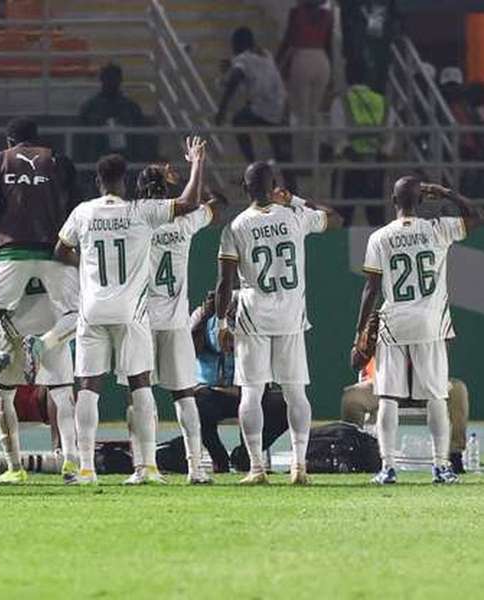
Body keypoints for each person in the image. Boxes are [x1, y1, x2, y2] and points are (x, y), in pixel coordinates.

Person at [54, 140, 206, 485]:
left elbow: (60, 251)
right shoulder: (140, 211)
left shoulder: (83, 212)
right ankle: (150, 467)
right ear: (124, 181)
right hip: (132, 311)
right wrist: (196, 163)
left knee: (88, 387)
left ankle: (87, 469)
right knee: (141, 384)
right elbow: (191, 203)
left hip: (93, 309)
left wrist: (87, 265)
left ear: (98, 181)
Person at [215, 162, 343, 485]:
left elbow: (223, 281)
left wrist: (221, 321)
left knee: (251, 393)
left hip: (253, 315)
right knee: (296, 393)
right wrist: (296, 200)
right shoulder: (294, 216)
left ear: (244, 189)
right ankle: (299, 466)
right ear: (274, 187)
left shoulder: (235, 226)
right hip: (289, 316)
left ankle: (256, 468)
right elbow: (337, 219)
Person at [352, 178, 481, 485]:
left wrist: (359, 331)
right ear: (421, 201)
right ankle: (440, 466)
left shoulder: (380, 237)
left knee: (388, 398)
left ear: (392, 201)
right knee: (437, 397)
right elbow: (476, 216)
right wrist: (446, 192)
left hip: (394, 321)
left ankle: (388, 467)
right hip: (430, 322)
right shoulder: (437, 228)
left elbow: (370, 289)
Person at [0, 117, 80, 408]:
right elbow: (76, 201)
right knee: (79, 313)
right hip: (52, 249)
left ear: (9, 142)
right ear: (37, 140)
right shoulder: (58, 160)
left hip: (11, 250)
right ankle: (44, 343)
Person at [119, 162, 224, 485]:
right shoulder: (187, 221)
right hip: (176, 320)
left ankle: (144, 467)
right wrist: (195, 171)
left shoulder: (133, 220)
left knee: (138, 393)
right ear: (167, 193)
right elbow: (217, 204)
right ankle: (195, 468)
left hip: (141, 319)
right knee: (184, 394)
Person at [0, 231, 79, 485]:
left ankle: (14, 467)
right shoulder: (60, 235)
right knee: (63, 394)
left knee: (3, 395)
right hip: (53, 325)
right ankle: (71, 461)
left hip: (14, 325)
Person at [190, 291, 290, 474]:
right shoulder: (203, 315)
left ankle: (244, 456)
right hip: (213, 391)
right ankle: (218, 456)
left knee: (286, 405)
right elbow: (189, 352)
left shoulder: (255, 317)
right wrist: (204, 318)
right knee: (194, 404)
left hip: (249, 390)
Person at [341, 358, 470, 474]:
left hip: (425, 383)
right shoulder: (377, 331)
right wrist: (366, 343)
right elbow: (356, 361)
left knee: (458, 390)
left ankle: (454, 455)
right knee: (352, 398)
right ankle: (353, 456)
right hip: (383, 384)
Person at [216, 27, 294, 190]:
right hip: (280, 105)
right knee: (281, 152)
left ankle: (253, 166)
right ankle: (292, 187)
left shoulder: (242, 60)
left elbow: (234, 80)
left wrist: (221, 111)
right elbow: (254, 70)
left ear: (237, 44)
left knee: (238, 121)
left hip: (263, 108)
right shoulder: (265, 54)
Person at [330, 61, 396, 226]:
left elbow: (337, 135)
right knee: (377, 218)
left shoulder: (341, 102)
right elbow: (391, 135)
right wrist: (383, 155)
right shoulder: (383, 102)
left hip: (348, 166)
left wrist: (346, 151)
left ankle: (340, 248)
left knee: (343, 217)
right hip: (376, 167)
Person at [277, 0, 333, 157]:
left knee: (301, 113)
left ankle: (303, 157)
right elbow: (329, 45)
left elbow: (288, 39)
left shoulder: (296, 12)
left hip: (303, 58)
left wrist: (277, 62)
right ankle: (316, 154)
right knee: (314, 112)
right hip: (322, 60)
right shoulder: (327, 15)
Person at [78, 63, 147, 161]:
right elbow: (81, 138)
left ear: (120, 80)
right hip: (96, 156)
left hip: (126, 157)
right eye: (108, 78)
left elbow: (140, 138)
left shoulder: (131, 107)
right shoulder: (90, 107)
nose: (111, 82)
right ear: (101, 79)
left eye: (114, 78)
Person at [340, 0, 400, 93]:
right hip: (360, 49)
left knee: (377, 85)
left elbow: (395, 17)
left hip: (378, 48)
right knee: (363, 85)